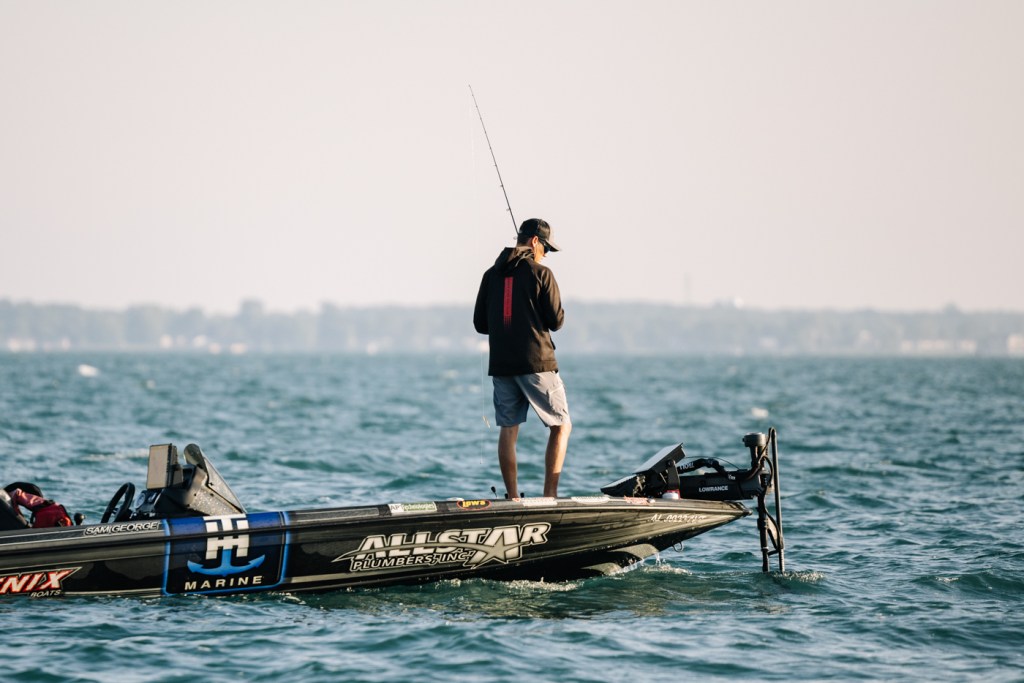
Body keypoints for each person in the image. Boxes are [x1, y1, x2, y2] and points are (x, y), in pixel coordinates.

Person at [474, 218, 571, 499]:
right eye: (546, 248)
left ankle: (514, 497)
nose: (546, 255)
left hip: (502, 365)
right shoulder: (542, 273)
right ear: (535, 241)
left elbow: (480, 324)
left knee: (508, 429)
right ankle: (550, 496)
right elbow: (557, 321)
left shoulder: (490, 275)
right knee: (561, 425)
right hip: (537, 363)